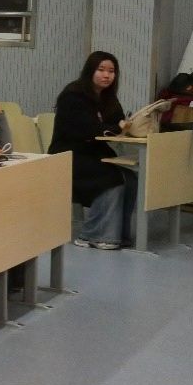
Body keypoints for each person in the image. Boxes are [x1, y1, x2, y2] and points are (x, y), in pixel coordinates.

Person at [49, 51, 135, 250]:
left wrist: (120, 126)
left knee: (130, 178)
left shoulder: (108, 98)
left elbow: (118, 122)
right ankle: (92, 235)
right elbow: (89, 129)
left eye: (111, 71)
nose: (107, 75)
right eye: (101, 70)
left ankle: (118, 234)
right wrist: (115, 127)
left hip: (94, 153)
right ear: (90, 71)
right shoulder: (73, 94)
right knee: (110, 178)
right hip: (68, 155)